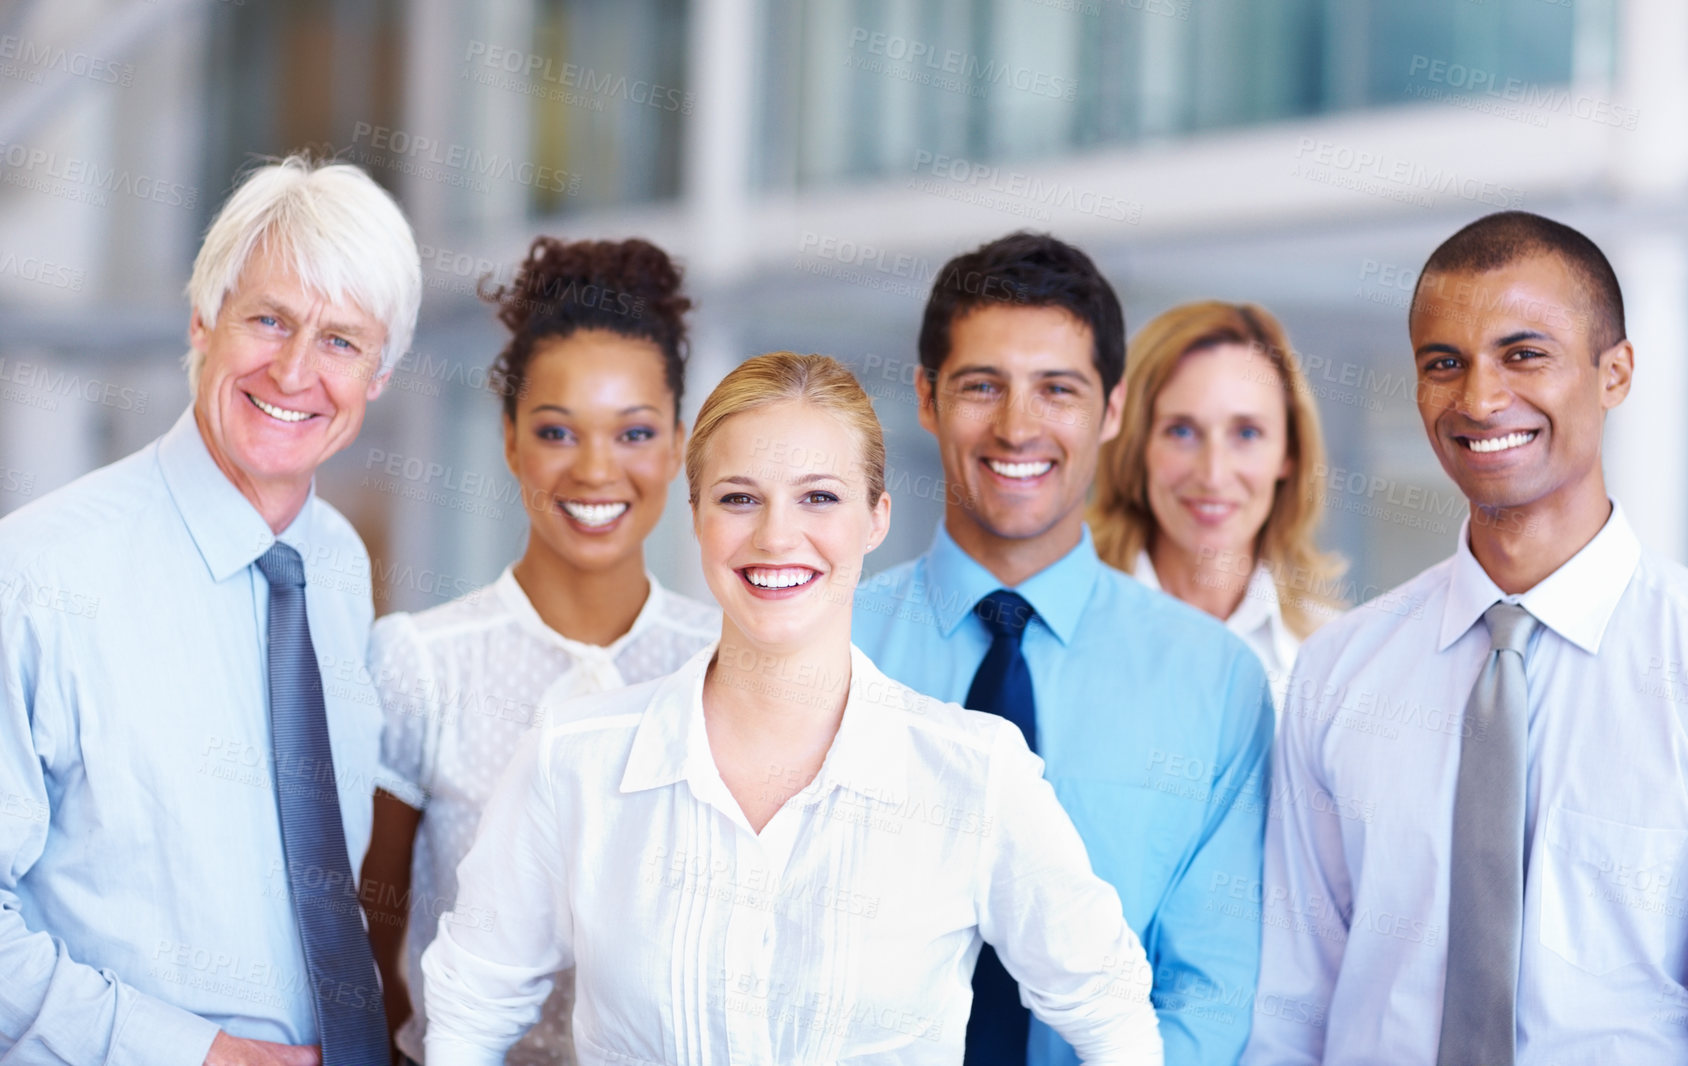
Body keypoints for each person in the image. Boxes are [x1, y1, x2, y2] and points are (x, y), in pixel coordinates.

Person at [418, 352, 1163, 1065]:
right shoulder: (575, 758)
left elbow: (1112, 1007)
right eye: (739, 498)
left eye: (819, 498)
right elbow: (470, 1004)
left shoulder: (973, 773)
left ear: (875, 519)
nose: (776, 536)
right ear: (698, 515)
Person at [1244, 211, 1688, 1064]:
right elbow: (1291, 1002)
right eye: (1444, 364)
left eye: (1524, 354)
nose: (1479, 399)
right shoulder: (1338, 672)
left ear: (1615, 372)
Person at [0, 155, 422, 1065]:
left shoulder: (339, 566)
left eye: (342, 341)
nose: (296, 370)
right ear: (203, 321)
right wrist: (191, 1053)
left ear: (378, 376)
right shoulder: (35, 576)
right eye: (268, 320)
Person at [852, 233, 1272, 1066]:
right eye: (982, 386)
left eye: (1057, 390)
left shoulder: (1215, 681)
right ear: (927, 399)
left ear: (1112, 410)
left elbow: (1211, 991)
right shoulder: (830, 642)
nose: (1017, 426)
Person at [360, 237, 719, 1066]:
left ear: (676, 445)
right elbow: (371, 956)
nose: (597, 470)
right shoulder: (423, 663)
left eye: (634, 432)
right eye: (558, 431)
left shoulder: (722, 666)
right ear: (511, 438)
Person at [1089, 301, 1343, 715]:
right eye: (1182, 431)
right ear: (1138, 446)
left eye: (1246, 432)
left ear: (1289, 453)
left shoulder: (1336, 657)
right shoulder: (1066, 624)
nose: (1213, 473)